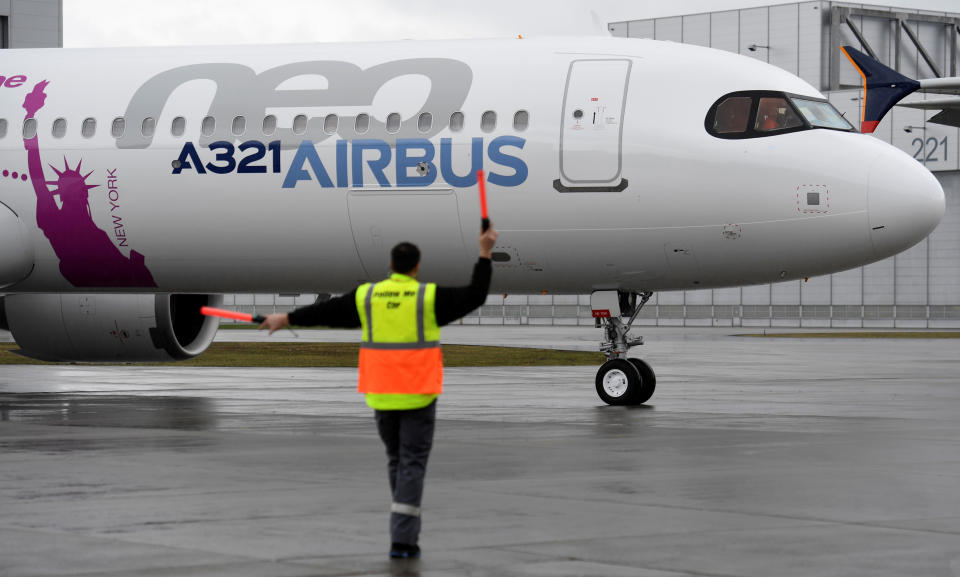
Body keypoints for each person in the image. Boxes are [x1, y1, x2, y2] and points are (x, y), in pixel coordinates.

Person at [259, 225, 498, 560]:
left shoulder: (367, 296)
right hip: (417, 395)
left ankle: (404, 522)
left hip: (381, 394)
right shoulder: (428, 297)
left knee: (397, 461)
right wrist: (485, 252)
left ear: (391, 263)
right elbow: (475, 295)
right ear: (416, 267)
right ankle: (402, 540)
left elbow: (326, 313)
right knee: (412, 463)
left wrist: (285, 318)